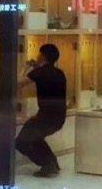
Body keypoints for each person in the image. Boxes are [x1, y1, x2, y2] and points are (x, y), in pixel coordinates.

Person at [15, 43, 67, 178]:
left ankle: (48, 164)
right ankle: (52, 163)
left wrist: (25, 67)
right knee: (35, 136)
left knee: (21, 142)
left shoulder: (40, 72)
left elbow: (18, 83)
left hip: (45, 117)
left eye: (39, 54)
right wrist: (36, 67)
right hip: (59, 117)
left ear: (42, 56)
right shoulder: (60, 73)